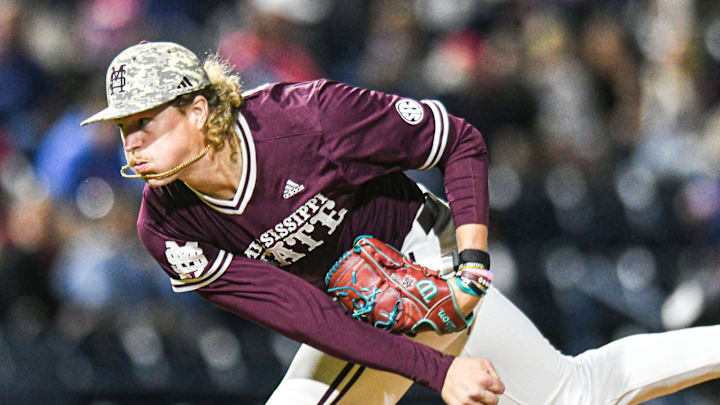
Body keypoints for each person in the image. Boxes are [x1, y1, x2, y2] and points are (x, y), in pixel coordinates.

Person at [81, 41, 720, 405]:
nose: (129, 141)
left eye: (144, 121)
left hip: (426, 258)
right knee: (577, 395)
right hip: (345, 301)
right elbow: (304, 314)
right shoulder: (166, 229)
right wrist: (438, 371)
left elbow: (460, 141)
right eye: (122, 126)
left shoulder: (309, 119)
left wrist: (471, 262)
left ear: (198, 110)